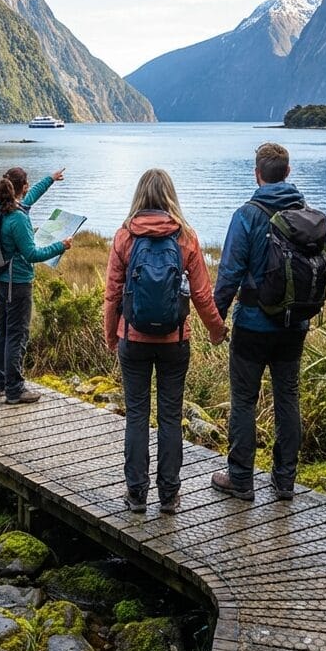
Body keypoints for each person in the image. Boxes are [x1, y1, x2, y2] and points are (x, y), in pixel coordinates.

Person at [104, 169, 226, 515]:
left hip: (133, 339)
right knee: (170, 418)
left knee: (137, 416)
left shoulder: (124, 236)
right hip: (175, 341)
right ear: (170, 195)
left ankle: (136, 495)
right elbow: (202, 294)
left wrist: (111, 334)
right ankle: (169, 496)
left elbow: (112, 294)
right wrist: (217, 331)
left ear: (139, 195)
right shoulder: (186, 237)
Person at [212, 142, 308, 501]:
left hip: (252, 324)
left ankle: (240, 480)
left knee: (243, 401)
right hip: (294, 326)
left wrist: (216, 320)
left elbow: (230, 273)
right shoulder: (307, 213)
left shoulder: (247, 215)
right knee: (288, 398)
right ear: (287, 172)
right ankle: (284, 482)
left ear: (257, 174)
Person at [0, 166, 72, 405]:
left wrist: (50, 179)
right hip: (17, 283)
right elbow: (31, 253)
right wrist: (61, 246)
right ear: (22, 187)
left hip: (0, 280)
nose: (29, 188)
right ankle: (15, 390)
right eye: (28, 184)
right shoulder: (18, 217)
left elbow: (31, 196)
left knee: (3, 332)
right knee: (17, 335)